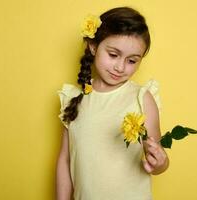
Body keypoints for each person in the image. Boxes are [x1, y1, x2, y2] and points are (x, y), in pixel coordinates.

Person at [56, 6, 169, 200]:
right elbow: (65, 161)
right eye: (113, 55)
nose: (120, 67)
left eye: (132, 61)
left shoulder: (141, 98)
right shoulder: (74, 100)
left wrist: (160, 163)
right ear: (93, 46)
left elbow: (157, 157)